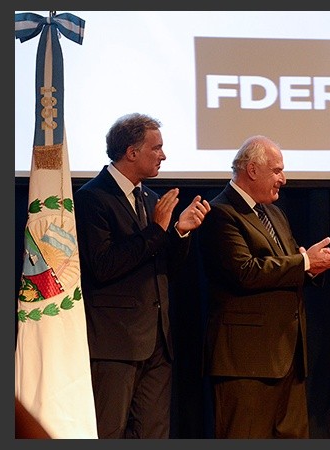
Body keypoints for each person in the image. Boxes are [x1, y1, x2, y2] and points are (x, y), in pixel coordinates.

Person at [199, 134, 330, 439]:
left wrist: (313, 266)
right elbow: (245, 271)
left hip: (288, 356)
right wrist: (305, 262)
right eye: (277, 170)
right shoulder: (221, 213)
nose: (284, 179)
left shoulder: (274, 213)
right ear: (252, 170)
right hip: (246, 361)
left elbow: (289, 265)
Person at [74, 113, 211, 438]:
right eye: (156, 148)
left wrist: (178, 232)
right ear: (131, 152)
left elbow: (166, 269)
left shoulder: (150, 199)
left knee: (153, 434)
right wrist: (156, 230)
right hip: (114, 343)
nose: (163, 156)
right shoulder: (92, 198)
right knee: (108, 431)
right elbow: (104, 265)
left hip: (157, 342)